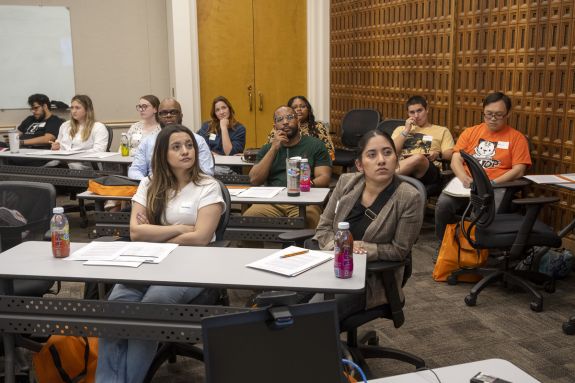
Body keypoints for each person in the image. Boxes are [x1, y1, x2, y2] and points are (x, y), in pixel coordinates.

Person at [96, 125, 225, 383]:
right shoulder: (149, 183)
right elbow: (135, 232)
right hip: (147, 261)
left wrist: (156, 232)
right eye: (176, 147)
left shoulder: (208, 186)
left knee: (149, 309)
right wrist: (178, 228)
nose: (186, 151)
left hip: (191, 265)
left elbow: (200, 238)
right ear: (163, 154)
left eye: (188, 145)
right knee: (115, 308)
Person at [312, 130, 424, 318]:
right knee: (283, 300)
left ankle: (325, 346)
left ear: (396, 160)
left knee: (312, 314)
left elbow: (400, 251)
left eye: (388, 153)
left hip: (372, 280)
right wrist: (340, 249)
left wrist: (361, 247)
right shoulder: (346, 183)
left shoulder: (409, 197)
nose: (381, 160)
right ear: (359, 164)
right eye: (372, 155)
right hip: (330, 267)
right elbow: (323, 228)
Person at [435, 91, 531, 243]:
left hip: (495, 186)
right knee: (443, 205)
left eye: (498, 115)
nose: (493, 119)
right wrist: (463, 177)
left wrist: (493, 183)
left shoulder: (517, 138)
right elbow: (455, 160)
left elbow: (519, 170)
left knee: (479, 216)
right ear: (483, 112)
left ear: (508, 114)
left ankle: (475, 252)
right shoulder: (471, 132)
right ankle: (444, 246)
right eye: (488, 114)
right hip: (467, 183)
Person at [245, 105, 332, 229]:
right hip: (273, 202)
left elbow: (324, 177)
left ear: (297, 121)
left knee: (310, 218)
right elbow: (254, 180)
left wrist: (307, 185)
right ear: (274, 126)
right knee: (249, 218)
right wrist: (274, 148)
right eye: (280, 119)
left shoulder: (315, 145)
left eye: (290, 117)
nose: (285, 122)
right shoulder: (267, 148)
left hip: (305, 201)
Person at [128, 98, 215, 179]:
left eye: (173, 112)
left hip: (189, 188)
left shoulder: (198, 140)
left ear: (181, 115)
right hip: (157, 188)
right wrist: (148, 183)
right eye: (164, 113)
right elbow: (135, 170)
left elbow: (207, 172)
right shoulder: (147, 142)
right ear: (158, 117)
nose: (168, 116)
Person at [391, 96, 454, 189]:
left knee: (418, 158)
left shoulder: (442, 130)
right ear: (408, 113)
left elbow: (450, 154)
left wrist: (438, 154)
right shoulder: (401, 130)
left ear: (427, 110)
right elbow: (391, 151)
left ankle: (383, 178)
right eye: (412, 112)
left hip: (428, 171)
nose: (416, 115)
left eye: (419, 111)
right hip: (403, 170)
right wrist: (406, 130)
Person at [50, 95, 108, 170]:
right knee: (48, 167)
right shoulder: (65, 125)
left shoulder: (98, 127)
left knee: (72, 166)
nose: (73, 111)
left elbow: (99, 151)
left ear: (87, 110)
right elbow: (59, 144)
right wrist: (56, 147)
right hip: (63, 162)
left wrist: (74, 154)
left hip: (86, 164)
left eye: (77, 108)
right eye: (72, 107)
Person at [266, 96, 335, 160]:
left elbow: (329, 150)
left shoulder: (318, 126)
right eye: (294, 107)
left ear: (308, 110)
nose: (299, 109)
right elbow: (268, 150)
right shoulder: (280, 128)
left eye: (302, 106)